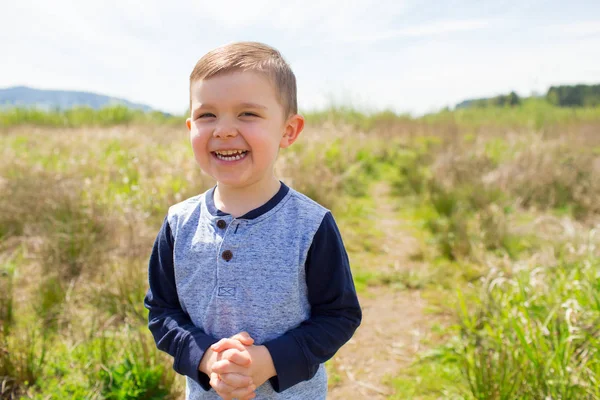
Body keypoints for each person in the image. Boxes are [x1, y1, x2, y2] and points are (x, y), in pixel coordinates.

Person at [144, 41, 362, 400]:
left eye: (247, 114)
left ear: (288, 131)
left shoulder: (310, 225)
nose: (224, 130)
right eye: (207, 115)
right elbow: (162, 312)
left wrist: (269, 360)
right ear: (190, 127)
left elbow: (339, 316)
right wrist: (205, 357)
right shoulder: (178, 223)